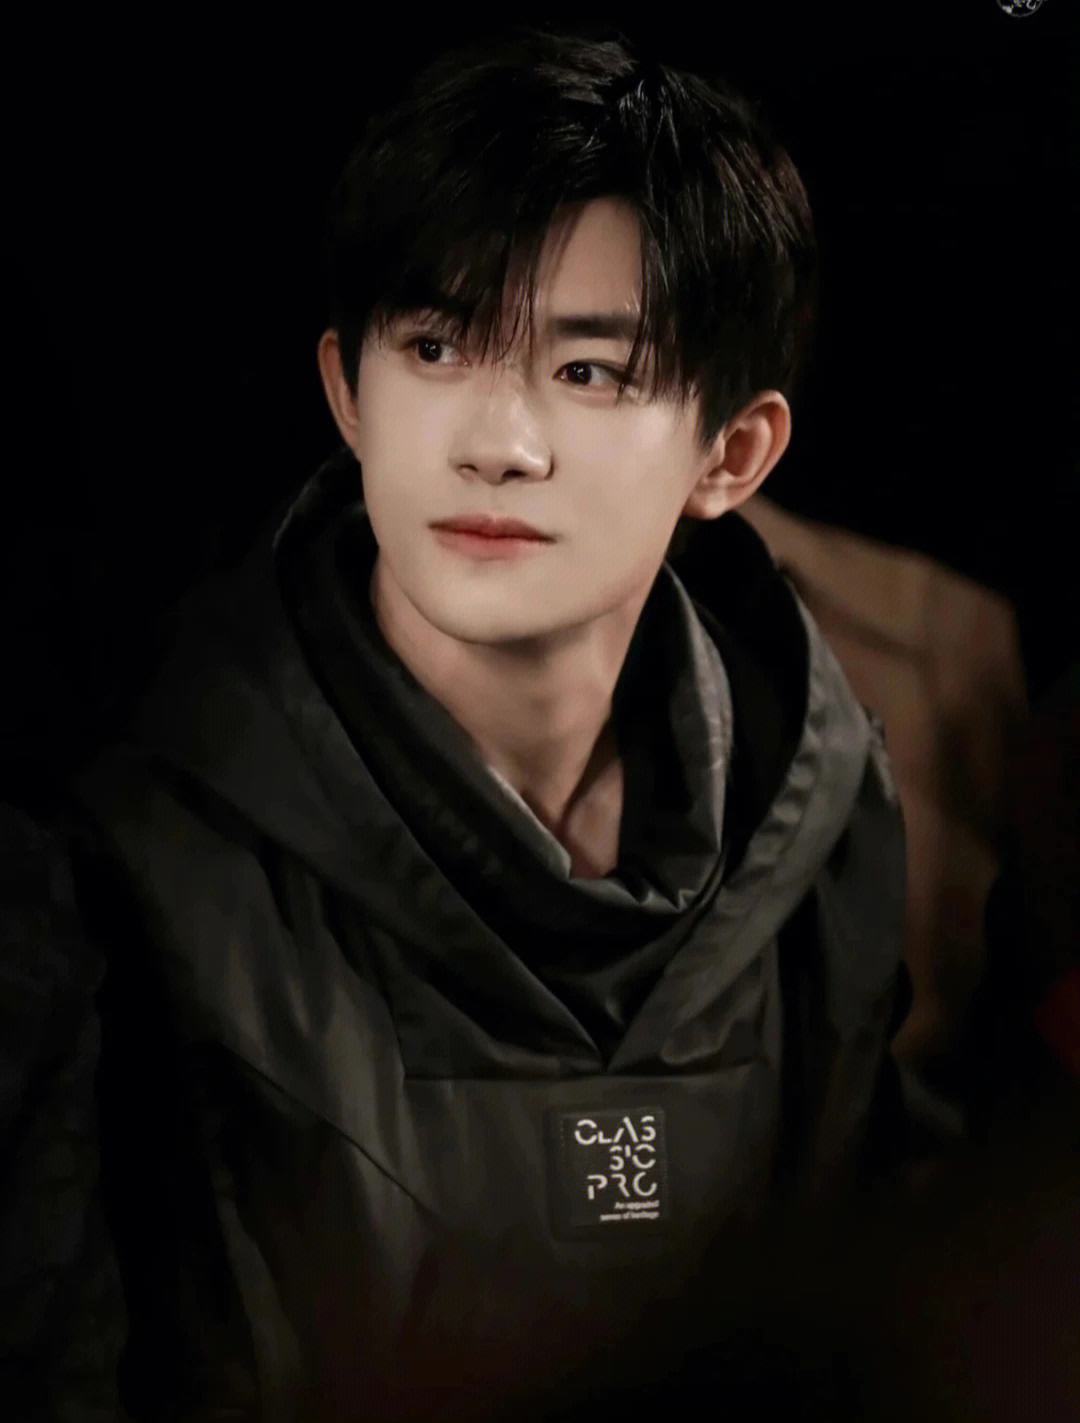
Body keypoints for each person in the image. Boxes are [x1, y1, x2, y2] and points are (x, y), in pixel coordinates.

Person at [68, 24, 909, 1422]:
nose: (496, 445)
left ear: (733, 453)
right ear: (347, 391)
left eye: (589, 371)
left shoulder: (819, 816)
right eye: (438, 346)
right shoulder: (131, 866)